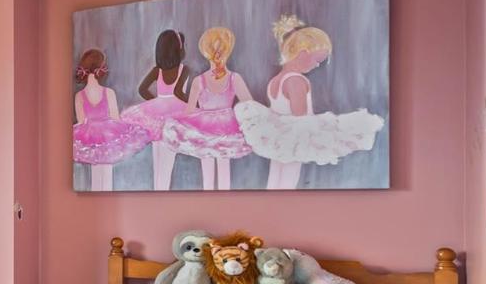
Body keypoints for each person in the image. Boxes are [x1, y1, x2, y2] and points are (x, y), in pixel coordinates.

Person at [235, 14, 384, 189]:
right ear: (303, 54)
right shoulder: (296, 80)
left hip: (279, 139)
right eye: (318, 59)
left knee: (275, 180)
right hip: (293, 138)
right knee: (289, 181)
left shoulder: (276, 80)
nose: (317, 65)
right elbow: (301, 118)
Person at [161, 26, 252, 190]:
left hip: (212, 128)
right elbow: (250, 105)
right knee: (219, 173)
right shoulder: (230, 78)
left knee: (211, 174)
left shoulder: (204, 80)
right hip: (222, 127)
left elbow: (189, 111)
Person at [120, 28, 192, 190]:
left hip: (158, 115)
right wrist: (193, 104)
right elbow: (178, 92)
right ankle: (163, 193)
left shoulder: (156, 71)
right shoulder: (184, 70)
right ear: (178, 49)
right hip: (175, 116)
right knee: (167, 160)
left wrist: (157, 104)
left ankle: (158, 192)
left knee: (158, 161)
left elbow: (142, 89)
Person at [72, 47, 148, 192]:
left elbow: (81, 121)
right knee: (107, 176)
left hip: (88, 135)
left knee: (95, 177)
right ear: (101, 68)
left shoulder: (79, 95)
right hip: (107, 134)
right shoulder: (109, 92)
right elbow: (115, 117)